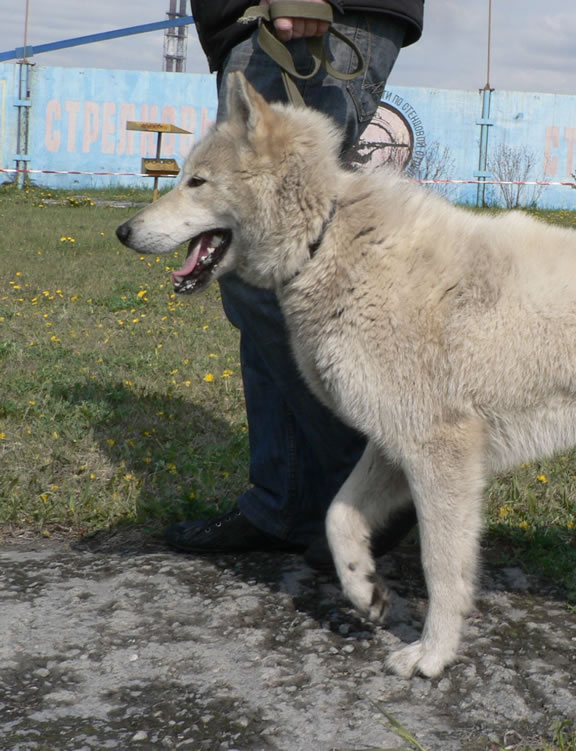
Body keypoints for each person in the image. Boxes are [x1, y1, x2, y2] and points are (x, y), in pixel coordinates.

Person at [164, 0, 423, 567]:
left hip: (302, 15)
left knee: (266, 255)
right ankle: (283, 503)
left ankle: (378, 486)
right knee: (260, 271)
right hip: (255, 20)